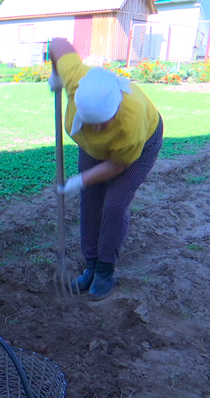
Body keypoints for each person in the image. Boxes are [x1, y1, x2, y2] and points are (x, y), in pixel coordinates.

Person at [48, 38, 163, 301]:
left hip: (140, 145)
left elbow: (116, 165)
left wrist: (79, 179)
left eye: (103, 123)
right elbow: (57, 43)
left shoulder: (129, 123)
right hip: (93, 149)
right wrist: (56, 73)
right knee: (91, 200)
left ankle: (104, 270)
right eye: (91, 123)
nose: (97, 128)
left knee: (113, 205)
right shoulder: (77, 78)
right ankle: (90, 264)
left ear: (116, 109)